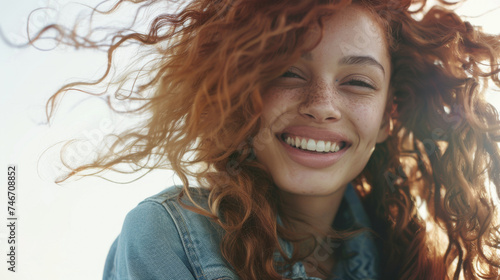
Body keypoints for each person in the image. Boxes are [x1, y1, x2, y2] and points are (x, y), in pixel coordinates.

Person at [34, 0, 500, 279]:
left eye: (357, 82)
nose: (322, 104)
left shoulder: (408, 256)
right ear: (244, 96)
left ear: (386, 119)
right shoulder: (167, 236)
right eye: (288, 72)